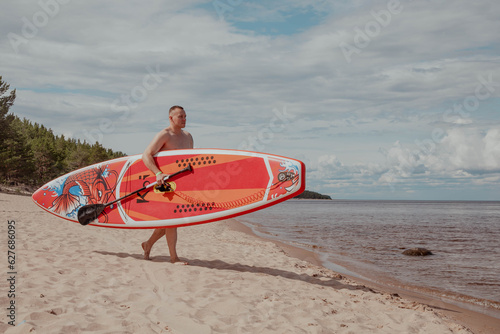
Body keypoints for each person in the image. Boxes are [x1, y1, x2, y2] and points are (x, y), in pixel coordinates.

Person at [141, 105, 194, 264]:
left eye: (185, 116)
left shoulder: (188, 137)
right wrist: (158, 173)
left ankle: (148, 244)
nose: (184, 119)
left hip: (180, 182)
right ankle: (174, 258)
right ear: (171, 118)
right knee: (172, 220)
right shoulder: (164, 135)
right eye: (181, 116)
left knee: (169, 221)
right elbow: (146, 155)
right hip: (164, 183)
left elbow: (188, 161)